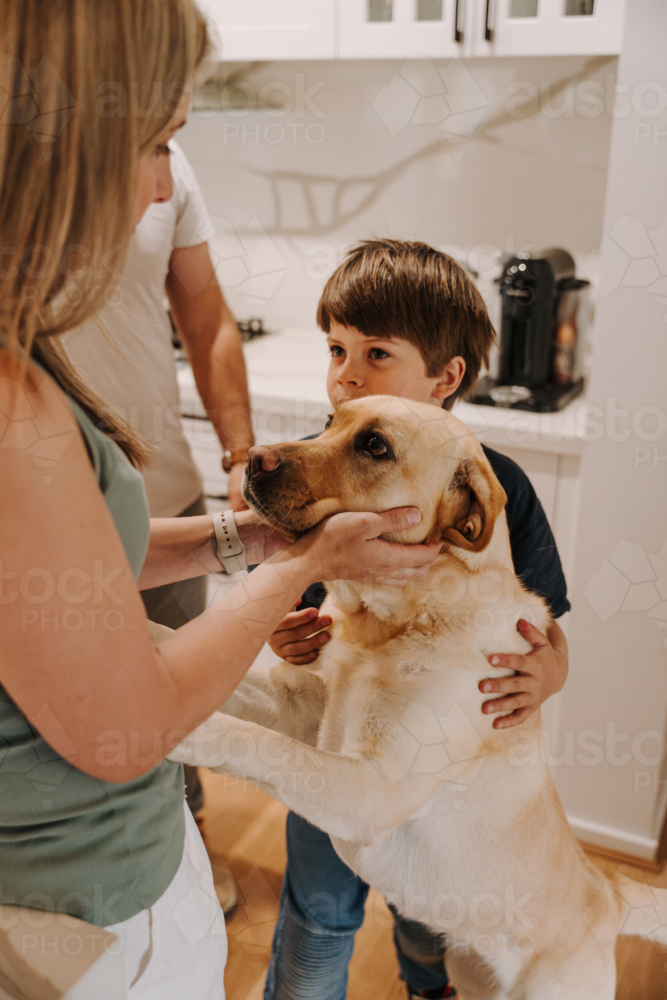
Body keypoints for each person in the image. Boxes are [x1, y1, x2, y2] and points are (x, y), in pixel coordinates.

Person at [0, 8, 441, 999]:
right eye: (156, 142)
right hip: (88, 915)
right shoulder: (11, 408)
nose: (165, 182)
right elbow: (126, 726)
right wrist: (306, 563)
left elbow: (63, 568)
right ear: (58, 145)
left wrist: (244, 536)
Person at [263, 240, 571, 1000]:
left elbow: (543, 619)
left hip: (435, 779)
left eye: (374, 353)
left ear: (446, 377)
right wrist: (281, 630)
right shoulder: (319, 460)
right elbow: (288, 590)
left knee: (429, 924)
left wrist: (551, 669)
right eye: (335, 349)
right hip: (332, 744)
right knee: (317, 913)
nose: (345, 374)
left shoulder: (496, 486)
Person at [65, 122, 253, 909]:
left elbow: (207, 322)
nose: (166, 176)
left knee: (176, 712)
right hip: (57, 511)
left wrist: (241, 456)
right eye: (156, 138)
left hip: (163, 486)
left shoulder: (168, 175)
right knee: (76, 724)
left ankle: (187, 850)